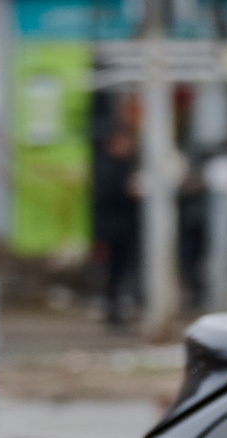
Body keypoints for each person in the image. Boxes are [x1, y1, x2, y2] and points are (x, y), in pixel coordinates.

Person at [91, 126, 140, 327]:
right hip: (112, 230)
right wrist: (127, 191)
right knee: (113, 271)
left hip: (123, 228)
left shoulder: (124, 165)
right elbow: (106, 195)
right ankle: (112, 311)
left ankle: (117, 309)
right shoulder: (107, 167)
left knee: (121, 270)